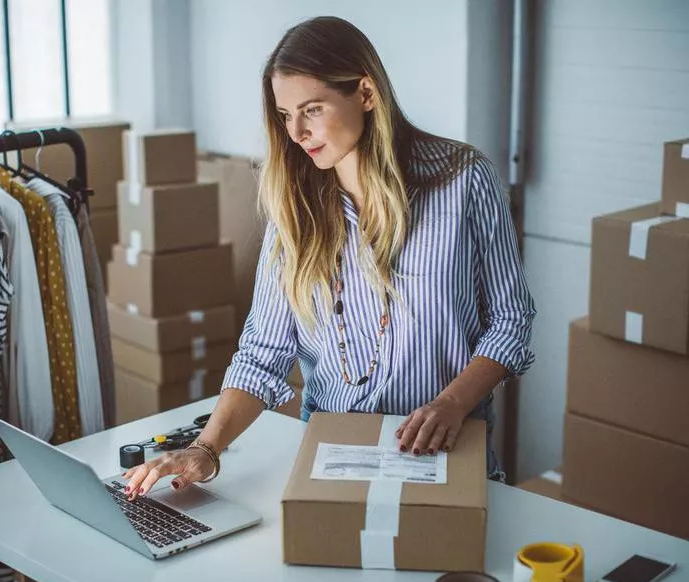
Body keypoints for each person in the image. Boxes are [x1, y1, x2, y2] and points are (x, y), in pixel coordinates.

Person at [123, 15, 536, 500]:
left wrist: (452, 402)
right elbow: (264, 353)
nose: (296, 131)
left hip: (447, 446)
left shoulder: (464, 180)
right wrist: (206, 449)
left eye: (312, 109)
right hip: (333, 453)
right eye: (284, 115)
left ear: (365, 93)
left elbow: (511, 321)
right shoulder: (294, 208)